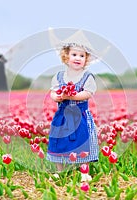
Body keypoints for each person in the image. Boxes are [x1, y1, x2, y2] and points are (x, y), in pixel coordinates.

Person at [46, 42, 99, 181]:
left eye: (82, 55)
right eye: (74, 54)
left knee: (83, 142)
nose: (78, 58)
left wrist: (71, 95)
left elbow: (87, 94)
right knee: (58, 142)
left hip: (80, 115)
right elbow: (53, 93)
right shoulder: (59, 76)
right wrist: (57, 97)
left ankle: (84, 171)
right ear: (66, 57)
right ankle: (60, 171)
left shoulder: (87, 76)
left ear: (86, 59)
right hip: (62, 116)